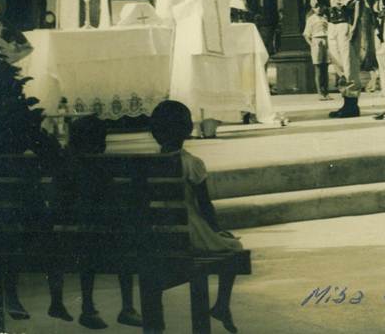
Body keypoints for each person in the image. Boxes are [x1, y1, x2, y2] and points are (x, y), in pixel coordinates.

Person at [149, 100, 241, 333]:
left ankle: (155, 321)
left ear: (154, 133)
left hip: (154, 236)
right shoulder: (192, 164)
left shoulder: (147, 165)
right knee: (234, 246)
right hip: (187, 235)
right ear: (188, 129)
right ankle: (221, 304)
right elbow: (205, 205)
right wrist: (216, 230)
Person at [46, 116, 142, 330]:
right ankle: (127, 307)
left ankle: (87, 307)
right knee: (120, 243)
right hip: (100, 239)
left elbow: (57, 202)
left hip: (68, 240)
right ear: (99, 142)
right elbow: (114, 203)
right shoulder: (100, 167)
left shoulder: (65, 164)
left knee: (87, 245)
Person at [325, 0, 365, 119]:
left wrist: (354, 25)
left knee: (349, 64)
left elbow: (357, 1)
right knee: (338, 64)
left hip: (345, 22)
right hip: (333, 22)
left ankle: (352, 104)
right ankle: (346, 101)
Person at [302, 0, 331, 100]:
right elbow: (306, 34)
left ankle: (326, 92)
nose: (319, 8)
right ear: (313, 8)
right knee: (318, 68)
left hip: (326, 41)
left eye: (321, 6)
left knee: (325, 68)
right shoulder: (310, 19)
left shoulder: (326, 18)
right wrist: (312, 44)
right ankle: (320, 93)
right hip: (316, 41)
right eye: (316, 7)